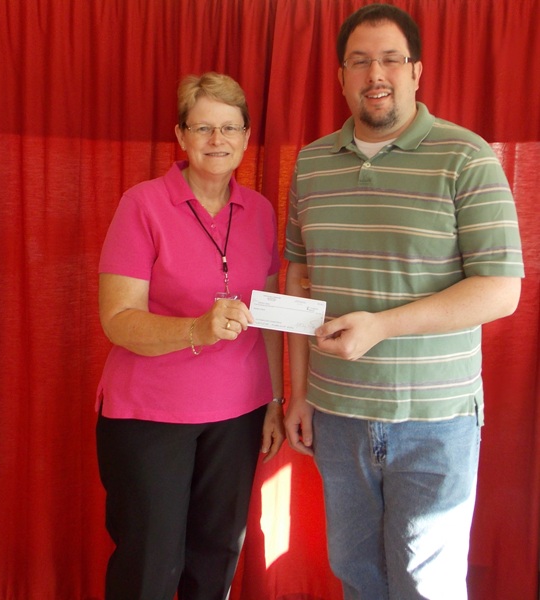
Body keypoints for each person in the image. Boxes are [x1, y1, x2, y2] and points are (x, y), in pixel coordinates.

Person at [283, 4, 524, 599]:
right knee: (357, 577)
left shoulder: (467, 157)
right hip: (337, 413)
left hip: (435, 418)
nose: (376, 74)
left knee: (427, 586)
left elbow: (501, 290)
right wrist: (300, 392)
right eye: (360, 61)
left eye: (391, 59)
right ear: (341, 76)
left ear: (416, 70)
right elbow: (298, 278)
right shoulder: (311, 163)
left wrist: (383, 326)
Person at [95, 72, 285, 600]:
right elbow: (117, 318)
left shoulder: (261, 211)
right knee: (150, 568)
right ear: (181, 136)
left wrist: (275, 400)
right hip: (149, 416)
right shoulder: (142, 204)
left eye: (229, 127)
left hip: (238, 415)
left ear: (247, 137)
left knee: (216, 560)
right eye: (203, 127)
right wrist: (197, 329)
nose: (217, 139)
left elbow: (268, 313)